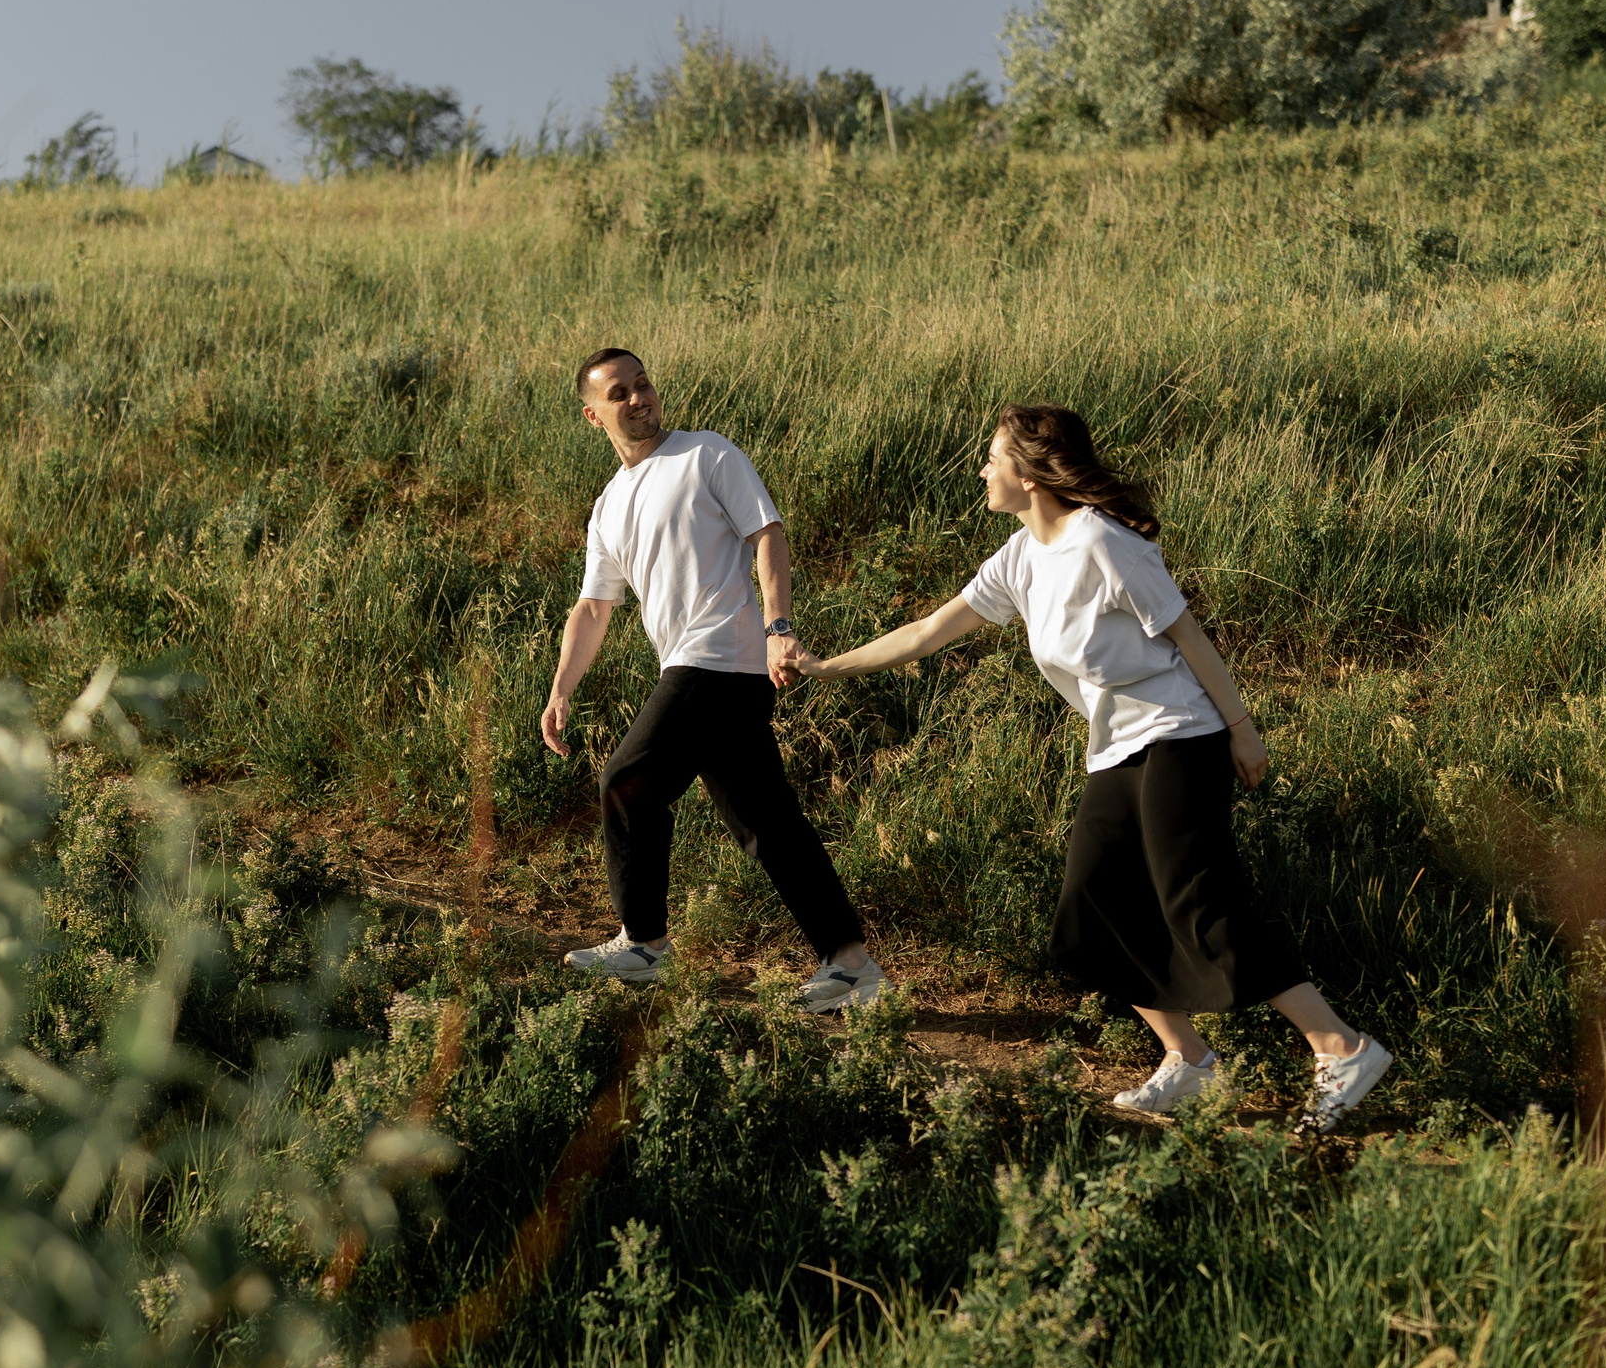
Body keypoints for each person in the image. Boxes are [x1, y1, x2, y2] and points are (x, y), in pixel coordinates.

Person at [797, 404, 1391, 1134]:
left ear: (1029, 473)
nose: (982, 471)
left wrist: (1243, 731)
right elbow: (927, 632)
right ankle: (1191, 1061)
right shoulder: (1021, 557)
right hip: (1117, 748)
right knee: (1091, 910)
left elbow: (1190, 639)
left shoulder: (1104, 543)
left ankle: (1342, 1048)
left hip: (1181, 735)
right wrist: (825, 667)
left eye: (993, 459)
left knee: (1199, 904)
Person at [541, 348, 887, 1013]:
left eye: (643, 383)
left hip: (718, 659)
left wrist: (779, 625)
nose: (638, 398)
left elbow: (768, 533)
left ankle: (645, 944)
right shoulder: (609, 505)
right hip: (706, 669)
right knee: (766, 823)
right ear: (593, 416)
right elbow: (593, 607)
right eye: (619, 393)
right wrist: (561, 690)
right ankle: (853, 966)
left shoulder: (706, 454)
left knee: (626, 783)